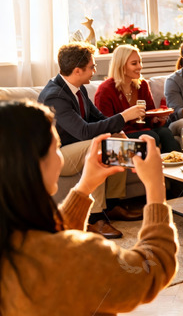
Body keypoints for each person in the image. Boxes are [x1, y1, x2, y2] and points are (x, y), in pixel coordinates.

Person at [0, 100, 177, 316]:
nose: (60, 157)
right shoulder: (75, 257)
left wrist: (84, 187)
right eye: (56, 148)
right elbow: (152, 267)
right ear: (34, 164)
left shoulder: (22, 247)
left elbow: (52, 250)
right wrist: (156, 191)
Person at [38, 42, 145, 238]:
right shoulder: (56, 96)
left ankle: (112, 205)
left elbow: (100, 119)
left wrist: (118, 130)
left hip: (74, 147)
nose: (95, 70)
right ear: (77, 70)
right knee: (98, 145)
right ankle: (94, 219)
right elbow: (84, 132)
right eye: (92, 67)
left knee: (115, 141)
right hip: (55, 155)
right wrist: (124, 116)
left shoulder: (79, 88)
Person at [94, 45, 182, 153]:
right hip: (120, 135)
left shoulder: (142, 85)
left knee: (165, 133)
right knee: (151, 136)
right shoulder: (105, 90)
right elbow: (107, 125)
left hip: (143, 130)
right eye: (134, 63)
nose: (140, 66)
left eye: (140, 62)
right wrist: (127, 116)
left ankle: (175, 165)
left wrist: (157, 119)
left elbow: (150, 113)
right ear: (121, 66)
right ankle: (150, 169)